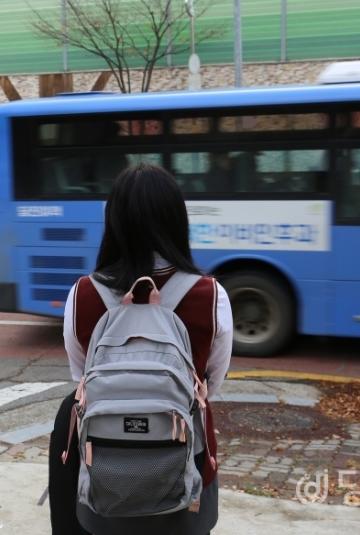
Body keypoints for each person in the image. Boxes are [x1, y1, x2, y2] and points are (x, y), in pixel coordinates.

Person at [48, 162, 234, 535]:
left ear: (114, 222)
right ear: (176, 220)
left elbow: (82, 376)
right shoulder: (210, 295)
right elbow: (210, 385)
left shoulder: (83, 293)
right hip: (186, 463)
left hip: (102, 465)